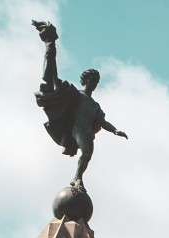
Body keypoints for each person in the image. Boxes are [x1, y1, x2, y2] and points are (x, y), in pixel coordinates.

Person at [32, 21, 128, 190]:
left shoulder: (95, 105)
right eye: (91, 80)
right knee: (85, 152)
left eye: (96, 82)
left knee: (87, 155)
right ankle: (77, 179)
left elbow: (103, 121)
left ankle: (77, 177)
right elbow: (55, 84)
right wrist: (51, 50)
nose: (93, 84)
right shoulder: (76, 94)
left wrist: (115, 130)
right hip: (77, 128)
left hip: (87, 131)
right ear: (85, 80)